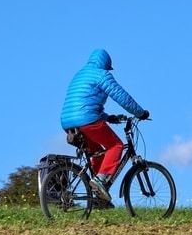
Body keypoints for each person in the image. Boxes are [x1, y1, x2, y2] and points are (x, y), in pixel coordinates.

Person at [60, 49, 149, 202]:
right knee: (116, 146)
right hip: (87, 120)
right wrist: (140, 112)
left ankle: (99, 197)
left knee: (97, 153)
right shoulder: (102, 74)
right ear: (106, 65)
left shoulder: (80, 74)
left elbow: (85, 102)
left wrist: (108, 117)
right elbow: (121, 96)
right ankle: (100, 180)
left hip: (68, 122)